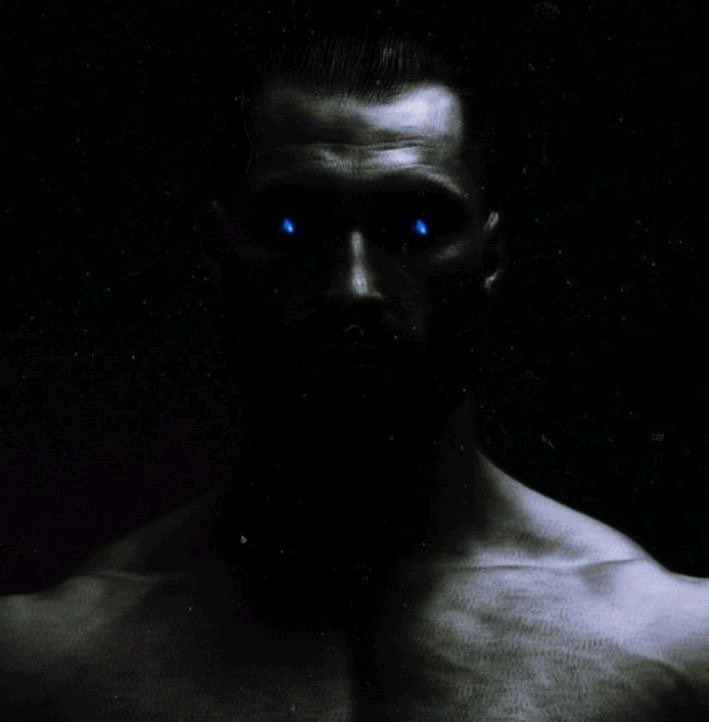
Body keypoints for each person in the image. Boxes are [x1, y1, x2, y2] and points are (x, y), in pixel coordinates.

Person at [1, 29, 707, 721]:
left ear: (490, 259)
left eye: (418, 227)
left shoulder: (673, 646)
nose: (354, 287)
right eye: (290, 225)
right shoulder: (38, 662)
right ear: (219, 253)